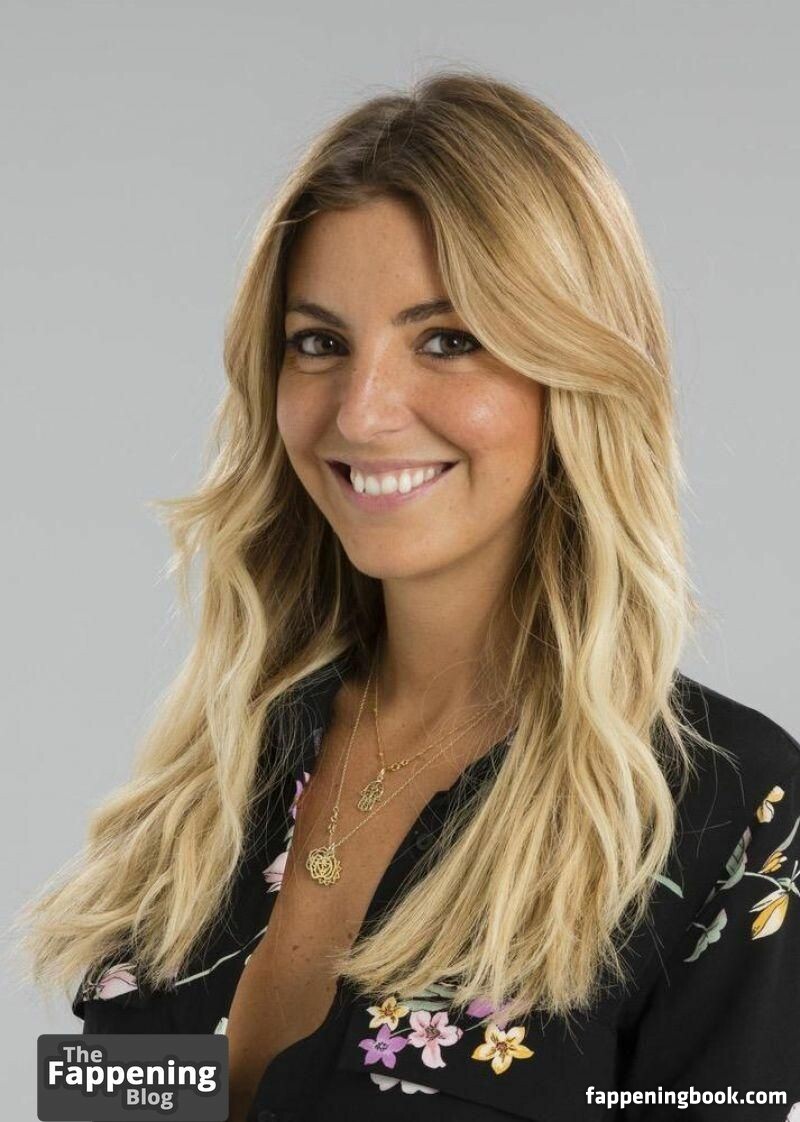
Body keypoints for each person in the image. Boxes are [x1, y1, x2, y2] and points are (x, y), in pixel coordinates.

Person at [14, 68, 800, 1122]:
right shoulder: (210, 787)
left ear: (573, 370)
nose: (363, 411)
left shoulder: (726, 818)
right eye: (318, 343)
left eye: (447, 340)